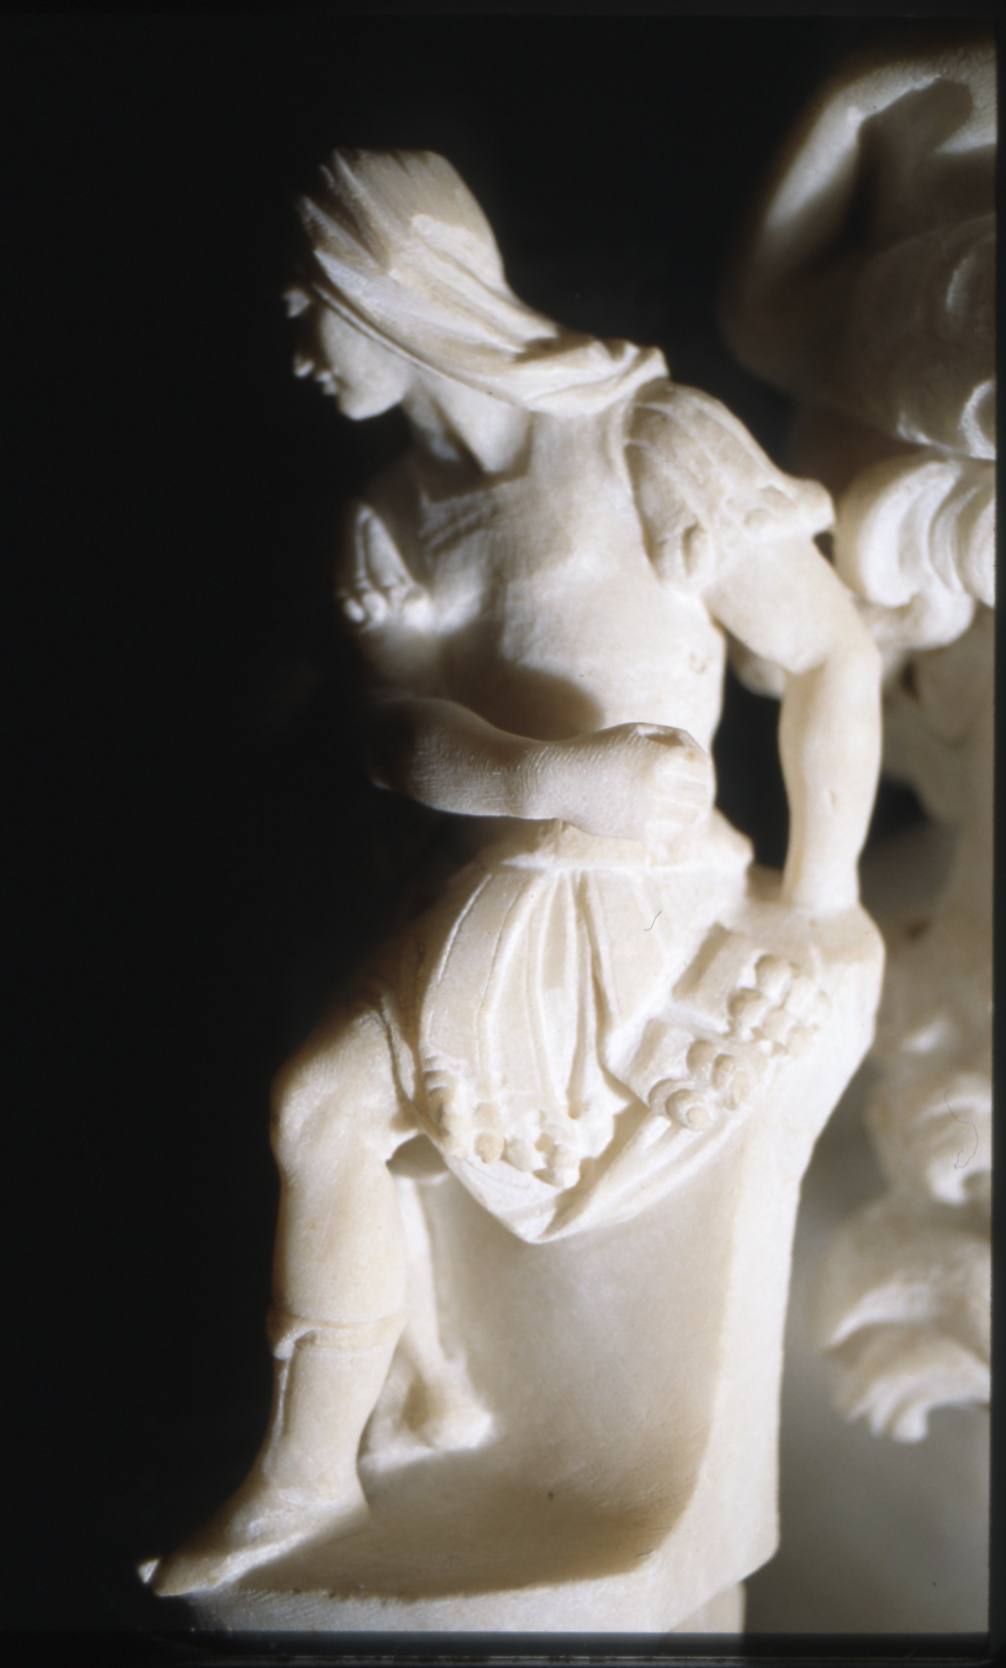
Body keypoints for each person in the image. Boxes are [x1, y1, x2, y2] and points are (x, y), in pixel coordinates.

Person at [149, 149, 881, 1598]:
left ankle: (321, 1467)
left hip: (640, 904)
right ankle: (366, 1437)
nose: (299, 346)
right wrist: (550, 775)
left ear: (390, 283)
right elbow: (395, 738)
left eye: (309, 303)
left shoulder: (648, 439)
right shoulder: (387, 518)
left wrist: (824, 894)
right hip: (483, 895)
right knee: (320, 1104)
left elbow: (829, 654)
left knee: (322, 1107)